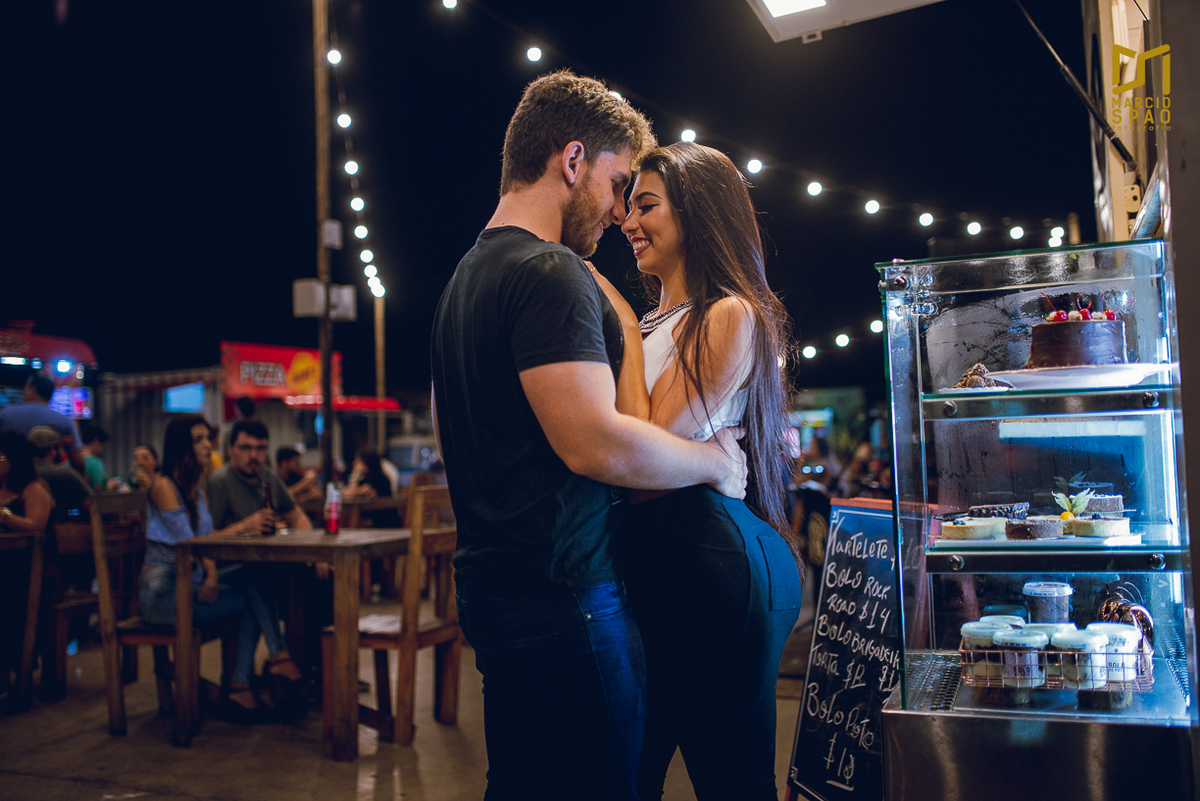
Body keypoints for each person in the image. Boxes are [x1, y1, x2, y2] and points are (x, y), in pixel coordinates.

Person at [430, 70, 748, 801]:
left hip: (492, 591)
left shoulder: (463, 280)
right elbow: (597, 443)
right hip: (565, 597)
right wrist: (709, 461)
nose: (615, 211)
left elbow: (451, 441)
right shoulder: (550, 272)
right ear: (571, 160)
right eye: (613, 183)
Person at [615, 142, 804, 800]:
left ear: (697, 212)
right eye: (627, 206)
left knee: (731, 779)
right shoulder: (645, 322)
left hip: (710, 563)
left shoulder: (729, 313)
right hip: (658, 562)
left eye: (646, 204)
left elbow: (644, 442)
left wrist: (616, 322)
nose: (627, 220)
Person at [137, 415, 295, 719]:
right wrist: (245, 525)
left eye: (207, 438)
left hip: (190, 584)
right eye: (198, 439)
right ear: (181, 446)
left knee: (257, 577)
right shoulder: (163, 486)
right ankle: (257, 674)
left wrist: (210, 575)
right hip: (162, 594)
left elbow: (203, 544)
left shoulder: (197, 492)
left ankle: (251, 678)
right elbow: (193, 543)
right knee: (254, 594)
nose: (207, 445)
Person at [0, 431, 55, 691]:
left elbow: (36, 527)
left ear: (14, 458)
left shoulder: (34, 489)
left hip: (36, 575)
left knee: (7, 598)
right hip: (9, 571)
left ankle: (15, 677)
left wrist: (4, 515)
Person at [206, 420, 312, 537]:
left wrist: (306, 544)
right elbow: (208, 538)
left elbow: (297, 517)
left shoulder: (269, 477)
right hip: (232, 554)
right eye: (246, 448)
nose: (253, 455)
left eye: (260, 448)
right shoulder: (218, 481)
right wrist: (244, 527)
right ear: (230, 450)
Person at [0, 375, 85, 473]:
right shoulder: (65, 421)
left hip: (11, 476)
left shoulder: (6, 414)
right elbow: (77, 461)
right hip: (49, 478)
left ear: (31, 390)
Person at [28, 427, 92, 522]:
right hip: (63, 531)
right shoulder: (63, 473)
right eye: (61, 447)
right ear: (53, 451)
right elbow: (91, 504)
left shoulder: (19, 472)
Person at [344, 450, 400, 528]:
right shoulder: (365, 479)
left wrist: (354, 474)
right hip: (371, 522)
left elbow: (349, 493)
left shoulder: (380, 480)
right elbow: (346, 493)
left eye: (358, 461)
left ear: (367, 464)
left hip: (384, 524)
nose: (354, 463)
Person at [79, 423, 109, 491]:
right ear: (96, 441)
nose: (103, 449)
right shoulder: (96, 464)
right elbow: (99, 490)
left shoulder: (69, 461)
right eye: (103, 444)